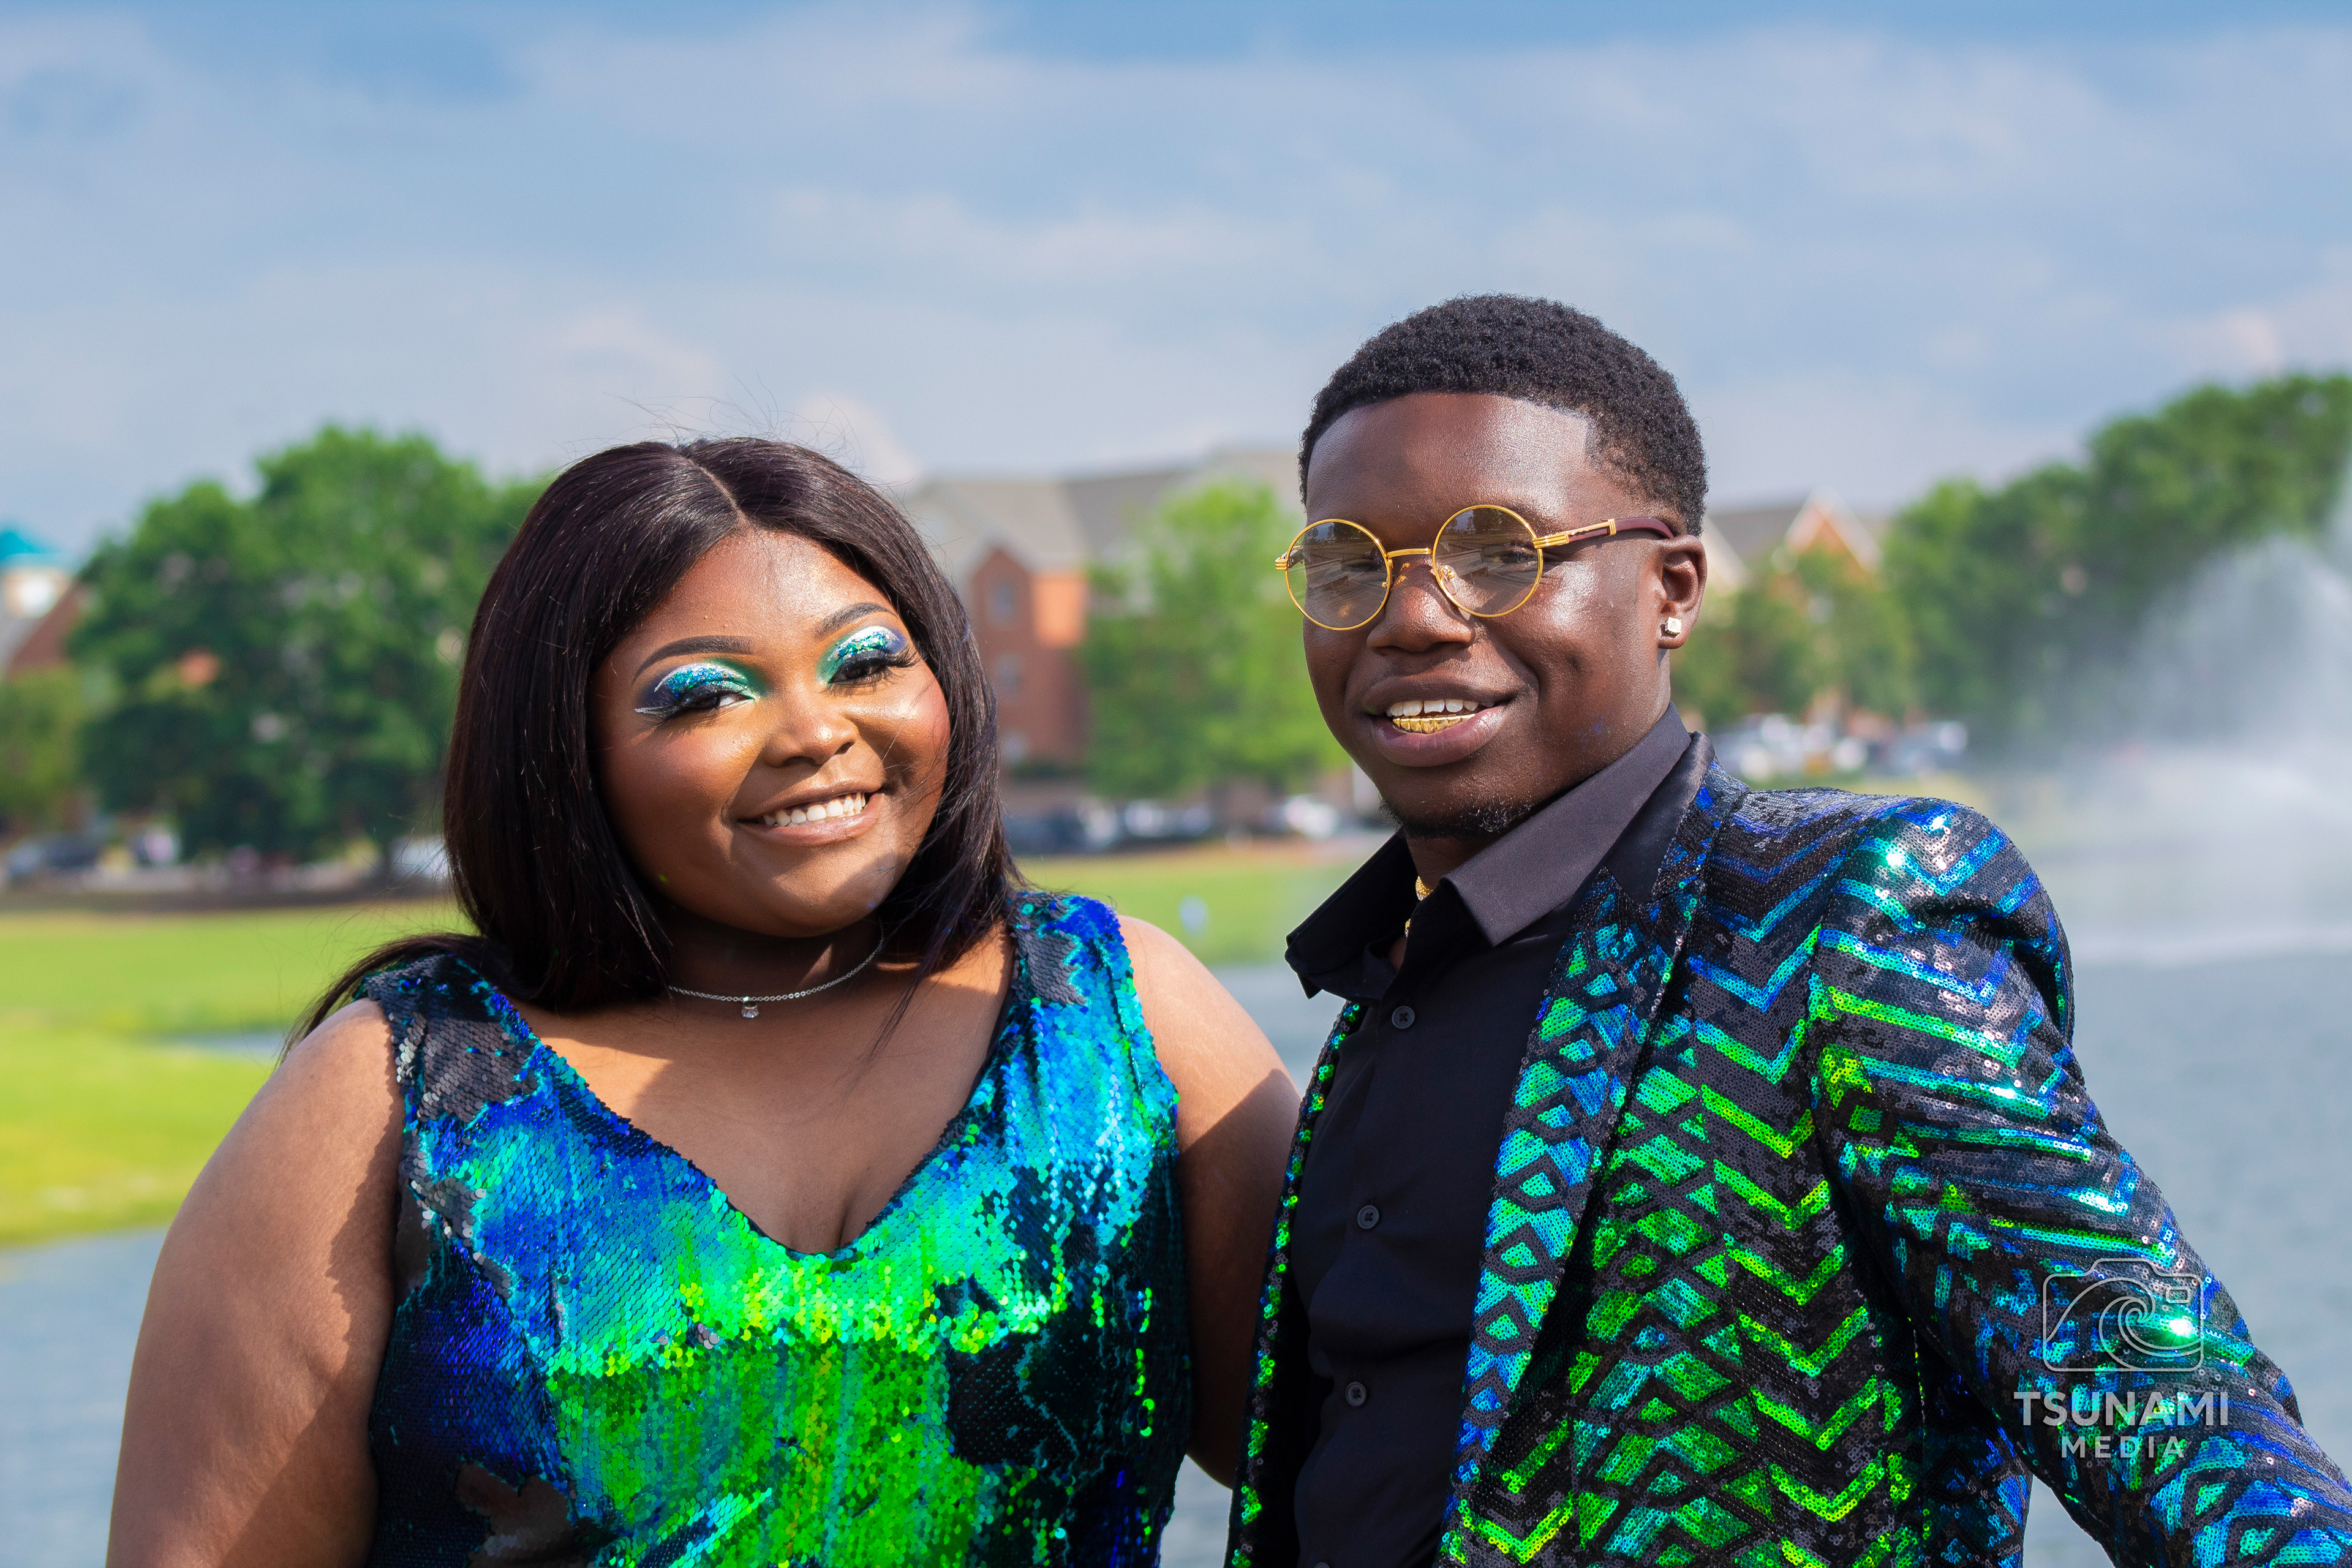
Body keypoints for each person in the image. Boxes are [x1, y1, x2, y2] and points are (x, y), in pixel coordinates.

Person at [1223, 295, 2352, 1568]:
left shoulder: (1838, 919)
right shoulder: (1389, 981)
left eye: (1499, 553)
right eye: (1349, 564)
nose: (1412, 616)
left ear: (1673, 590)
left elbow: (2171, 1415)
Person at [107, 439, 1299, 1567]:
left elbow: (1367, 1453)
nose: (816, 731)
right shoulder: (390, 1098)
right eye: (704, 695)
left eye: (866, 662)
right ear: (566, 749)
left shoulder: (1113, 1018)